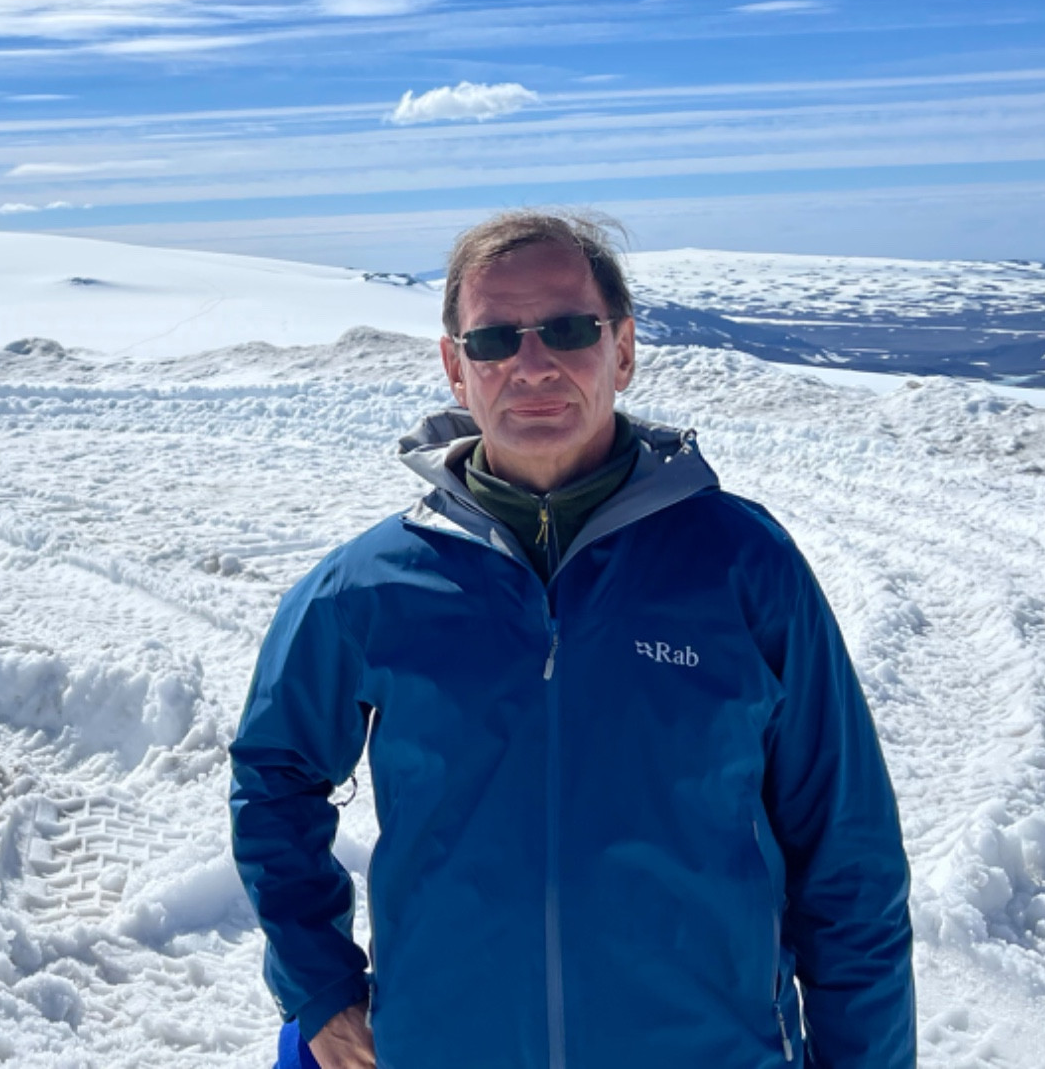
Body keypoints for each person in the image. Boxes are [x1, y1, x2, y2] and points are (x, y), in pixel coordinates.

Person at [230, 210, 914, 1069]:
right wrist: (320, 987)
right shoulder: (369, 586)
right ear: (455, 366)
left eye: (567, 329)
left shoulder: (743, 566)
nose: (533, 363)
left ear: (622, 350)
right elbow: (274, 777)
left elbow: (848, 861)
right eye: (493, 339)